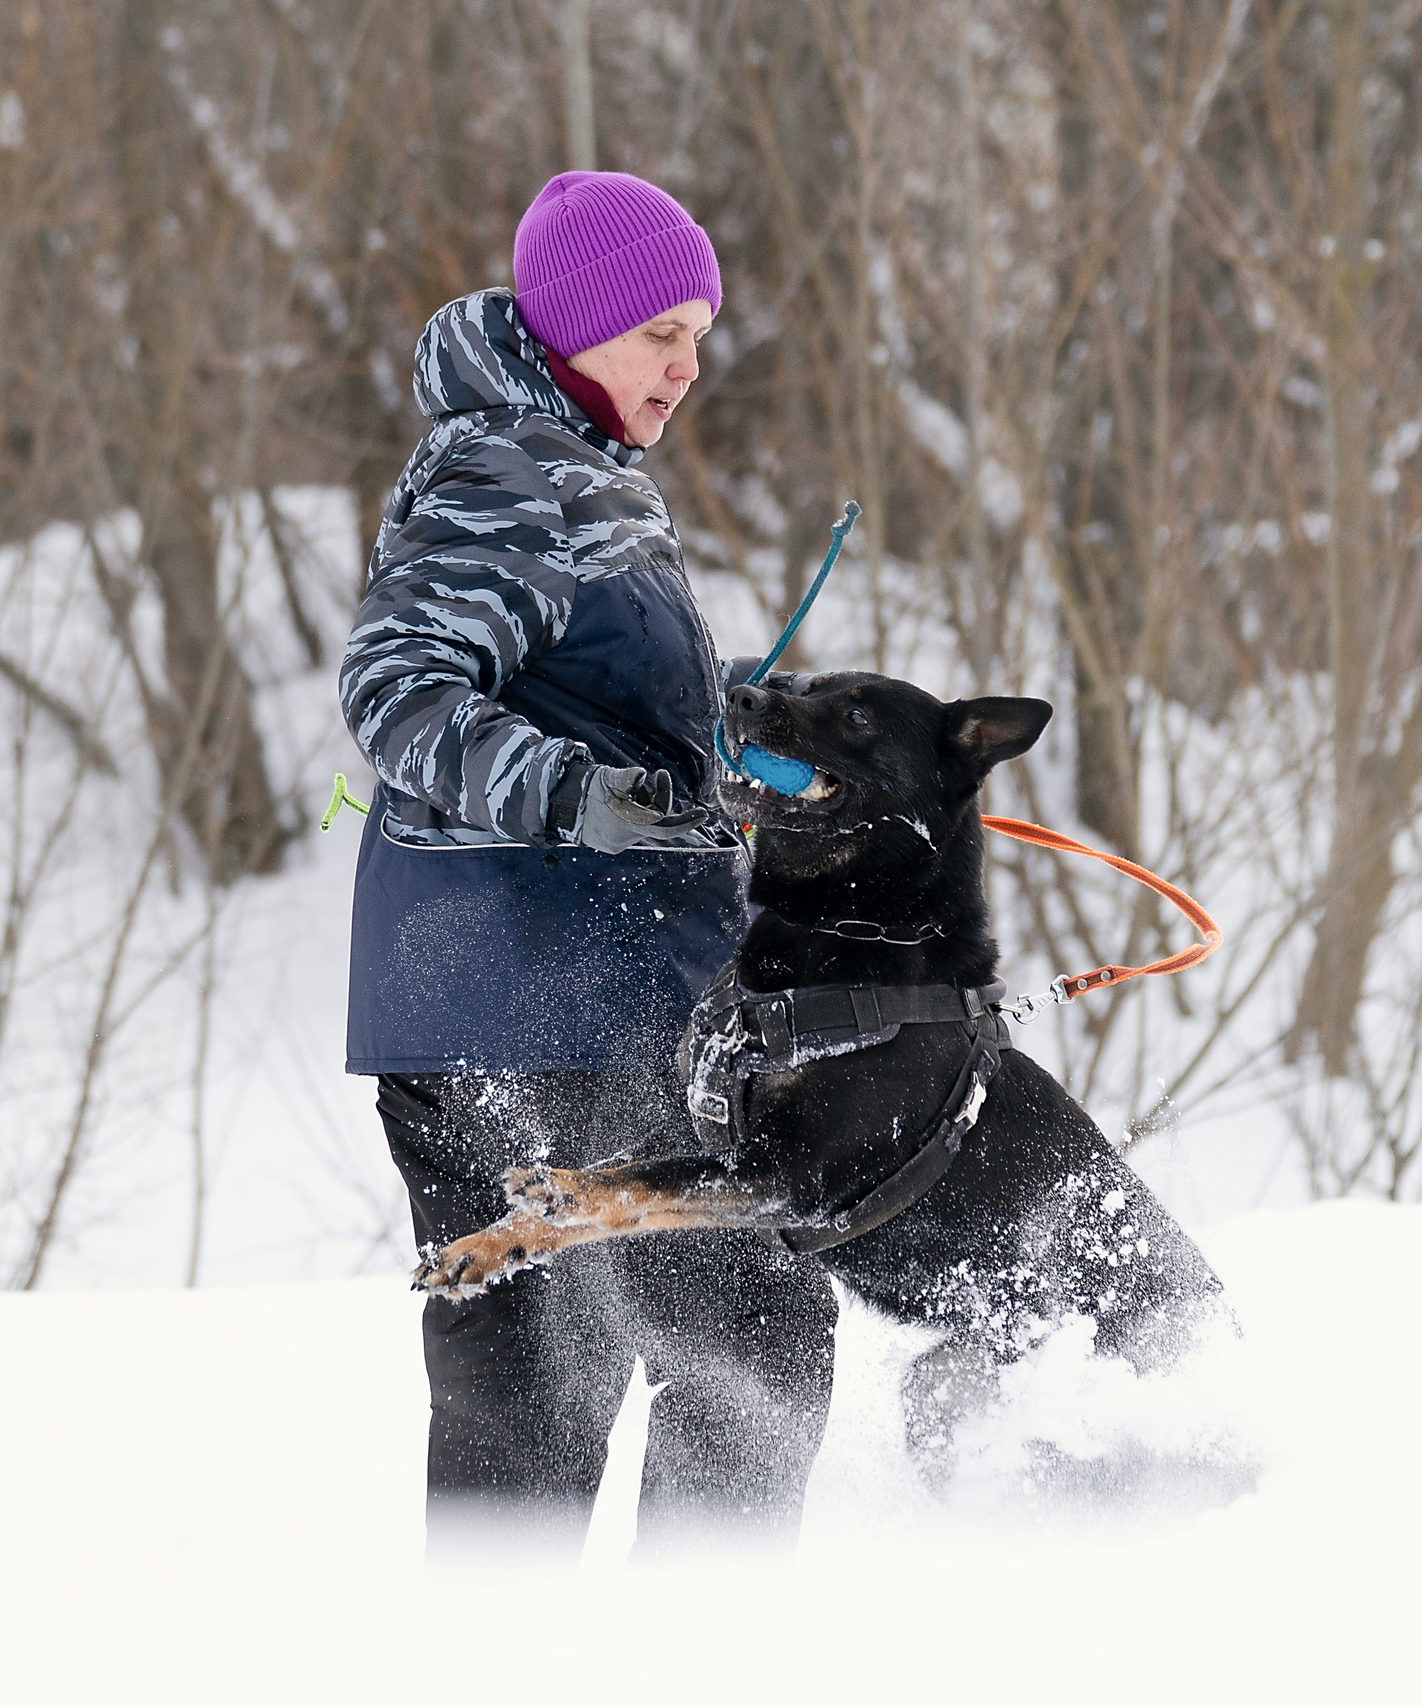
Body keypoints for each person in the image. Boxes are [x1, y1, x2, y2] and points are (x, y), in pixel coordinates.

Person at [339, 171, 836, 1555]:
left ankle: (520, 1647)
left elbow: (592, 702)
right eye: (661, 333)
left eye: (699, 337)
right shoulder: (505, 474)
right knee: (742, 1338)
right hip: (545, 996)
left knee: (545, 1383)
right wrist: (581, 795)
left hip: (522, 992)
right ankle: (688, 1645)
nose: (688, 367)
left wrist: (745, 756)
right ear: (575, 328)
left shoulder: (566, 469)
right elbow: (396, 691)